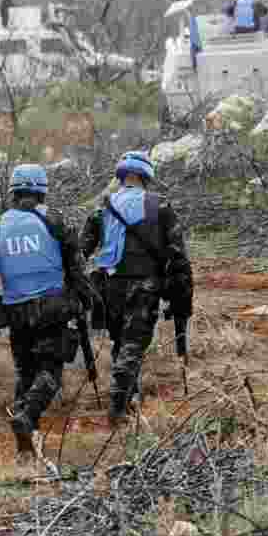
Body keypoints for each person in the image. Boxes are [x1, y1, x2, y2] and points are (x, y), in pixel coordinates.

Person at [0, 164, 92, 465]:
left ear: (14, 191)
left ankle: (25, 450)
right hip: (51, 308)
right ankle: (27, 416)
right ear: (41, 191)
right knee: (50, 372)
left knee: (25, 375)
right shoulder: (54, 220)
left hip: (15, 314)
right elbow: (76, 267)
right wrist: (84, 300)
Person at [80, 152, 194, 430]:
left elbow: (80, 251)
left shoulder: (102, 207)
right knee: (133, 345)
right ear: (146, 177)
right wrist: (182, 298)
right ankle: (118, 408)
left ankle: (129, 399)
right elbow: (179, 258)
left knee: (121, 342)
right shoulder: (160, 206)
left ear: (122, 176)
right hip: (144, 286)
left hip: (108, 288)